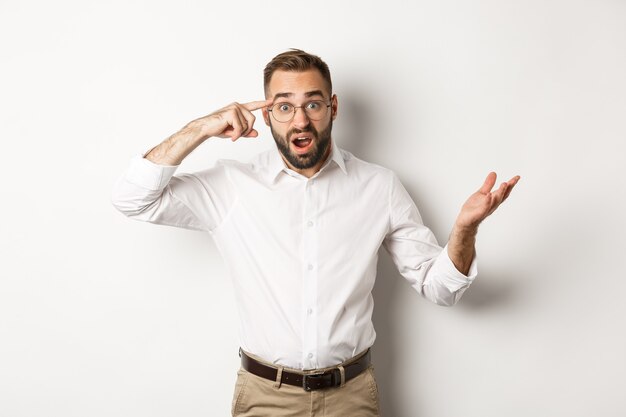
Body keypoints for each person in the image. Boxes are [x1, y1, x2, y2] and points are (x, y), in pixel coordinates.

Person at [111, 49, 520, 416]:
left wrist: (465, 229)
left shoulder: (379, 187)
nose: (301, 119)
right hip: (265, 399)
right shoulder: (231, 186)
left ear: (333, 107)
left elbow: (441, 289)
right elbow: (132, 198)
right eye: (284, 107)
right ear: (267, 115)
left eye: (313, 104)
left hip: (352, 397)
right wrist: (200, 128)